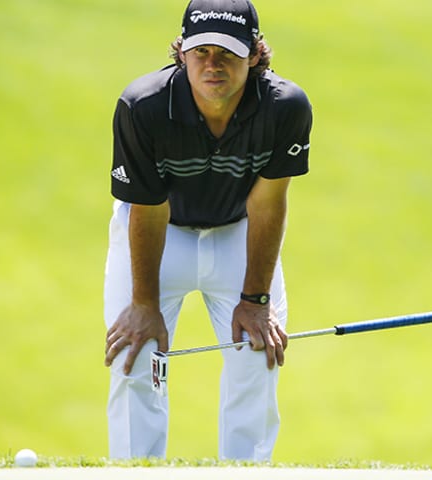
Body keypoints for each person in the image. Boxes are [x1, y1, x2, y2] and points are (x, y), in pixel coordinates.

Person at [103, 0, 312, 461]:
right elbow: (148, 209)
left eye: (228, 53)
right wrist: (144, 303)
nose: (212, 65)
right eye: (201, 52)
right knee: (134, 355)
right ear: (182, 52)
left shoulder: (286, 107)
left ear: (255, 54)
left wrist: (256, 300)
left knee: (257, 355)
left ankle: (243, 471)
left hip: (237, 233)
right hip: (160, 232)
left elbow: (268, 202)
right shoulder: (142, 107)